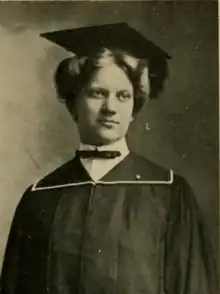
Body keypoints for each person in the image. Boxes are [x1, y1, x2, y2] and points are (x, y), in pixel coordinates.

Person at [0, 23, 218, 294]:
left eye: (123, 96)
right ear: (73, 102)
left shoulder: (170, 193)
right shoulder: (40, 198)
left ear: (134, 108)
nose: (110, 108)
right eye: (97, 93)